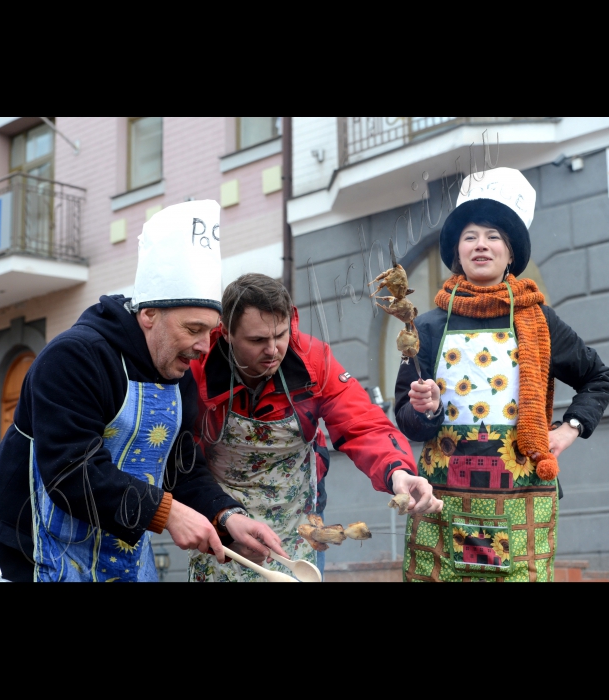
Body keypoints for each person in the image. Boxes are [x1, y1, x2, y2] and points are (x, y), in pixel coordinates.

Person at [0, 201, 285, 582]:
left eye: (209, 332)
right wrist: (169, 513)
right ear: (149, 315)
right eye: (192, 329)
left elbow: (182, 469)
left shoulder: (178, 376)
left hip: (114, 561)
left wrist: (227, 516)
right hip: (21, 557)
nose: (202, 346)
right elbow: (71, 472)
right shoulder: (75, 358)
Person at [395, 167, 609, 583]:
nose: (482, 245)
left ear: (511, 254)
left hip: (523, 496)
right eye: (470, 236)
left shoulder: (540, 321)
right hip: (442, 502)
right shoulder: (425, 328)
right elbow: (405, 418)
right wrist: (426, 409)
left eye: (494, 237)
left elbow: (599, 377)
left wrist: (569, 429)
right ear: (456, 252)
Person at [189, 273, 443, 583]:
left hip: (298, 523)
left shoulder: (314, 360)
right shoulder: (196, 368)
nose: (273, 349)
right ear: (227, 333)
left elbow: (362, 423)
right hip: (221, 519)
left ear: (291, 321)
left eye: (280, 335)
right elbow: (182, 460)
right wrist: (220, 518)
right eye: (257, 340)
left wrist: (398, 472)